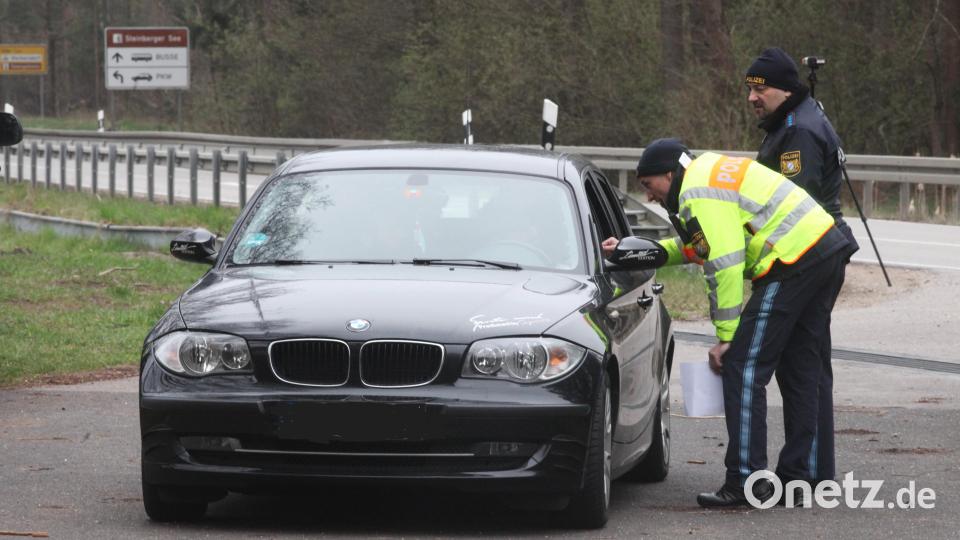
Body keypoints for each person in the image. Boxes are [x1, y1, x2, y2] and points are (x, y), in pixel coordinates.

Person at [607, 138, 855, 507]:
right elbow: (700, 247)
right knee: (802, 366)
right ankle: (805, 478)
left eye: (648, 185)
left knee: (742, 366)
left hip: (792, 261)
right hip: (824, 248)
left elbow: (723, 263)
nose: (650, 197)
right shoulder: (705, 173)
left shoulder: (696, 191)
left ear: (669, 174)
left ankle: (745, 482)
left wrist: (726, 338)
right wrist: (644, 250)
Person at [745, 47, 860, 490]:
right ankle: (808, 472)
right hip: (817, 254)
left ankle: (805, 472)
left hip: (806, 256)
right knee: (804, 364)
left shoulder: (800, 133)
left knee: (800, 366)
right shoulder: (791, 122)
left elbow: (794, 208)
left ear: (786, 89)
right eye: (750, 88)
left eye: (762, 88)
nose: (754, 97)